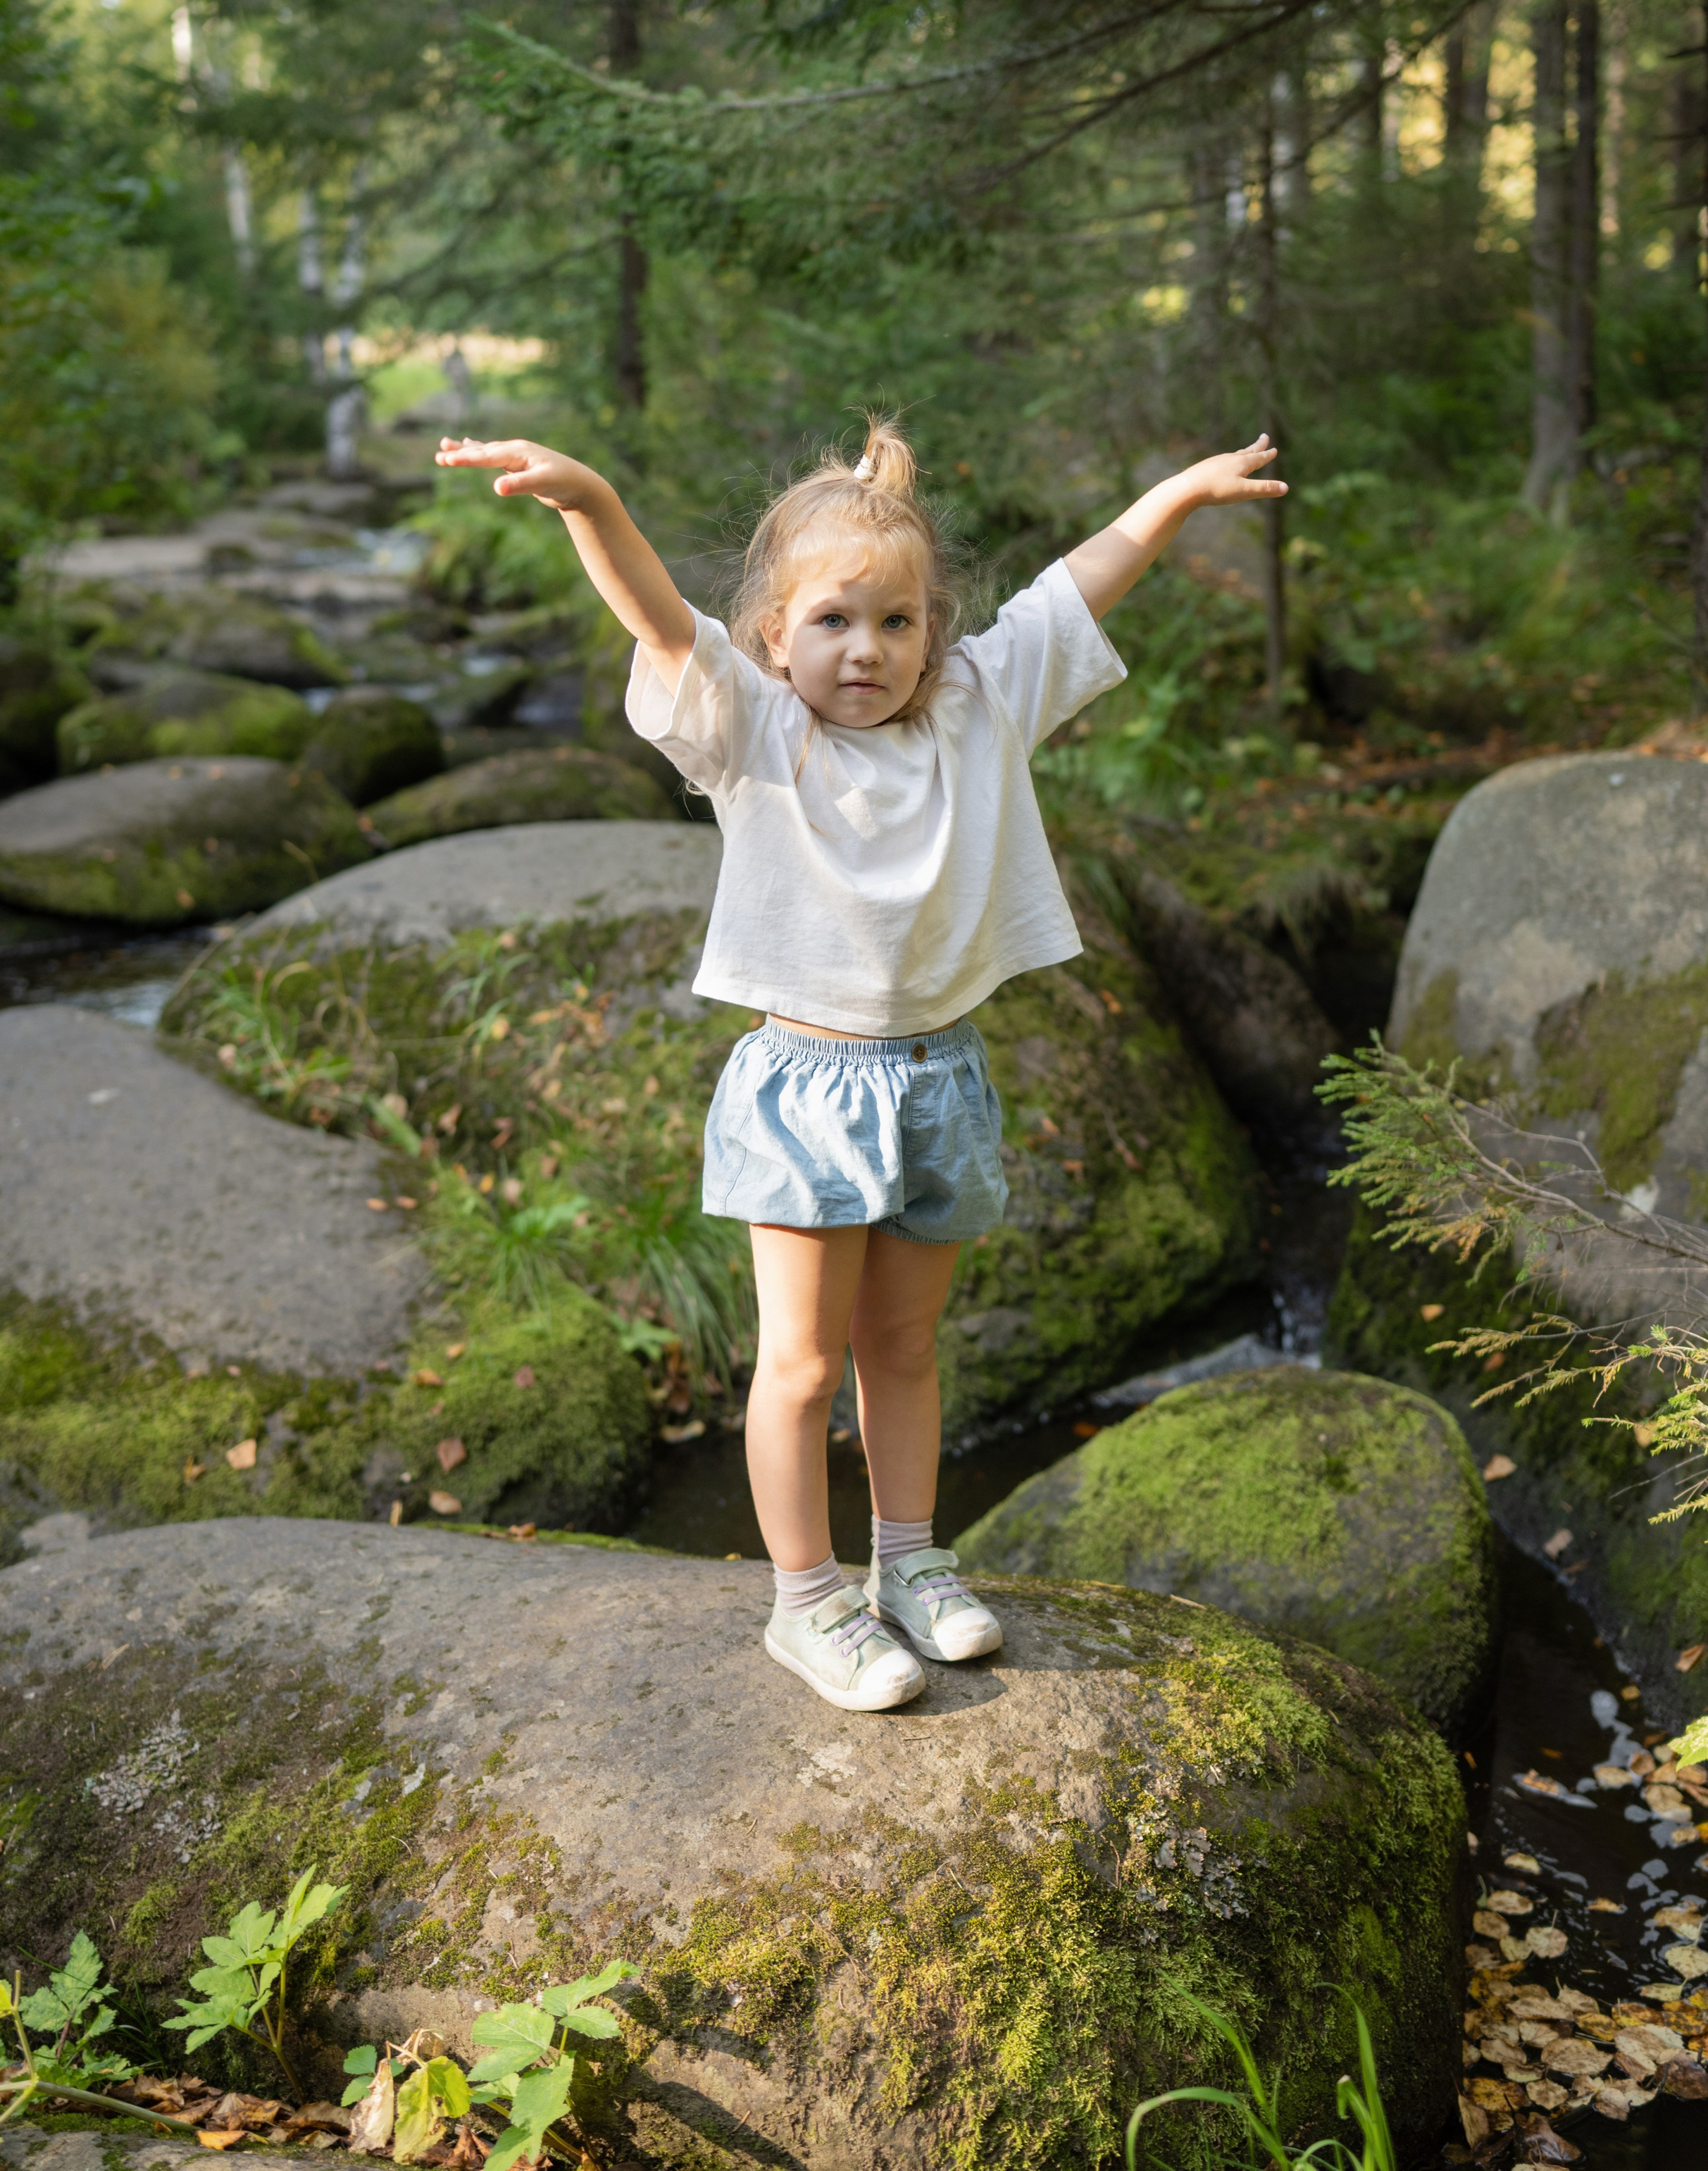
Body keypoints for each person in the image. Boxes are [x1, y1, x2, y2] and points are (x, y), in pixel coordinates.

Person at [434, 416, 1285, 1712]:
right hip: (806, 1088)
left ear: (933, 634)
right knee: (801, 1364)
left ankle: (909, 1563)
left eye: (896, 622)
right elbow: (659, 620)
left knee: (905, 1345)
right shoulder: (755, 729)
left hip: (943, 1078)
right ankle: (804, 1599)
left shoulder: (979, 709)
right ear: (775, 637)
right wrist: (589, 500)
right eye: (832, 621)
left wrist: (1173, 497)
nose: (866, 649)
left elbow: (1079, 584)